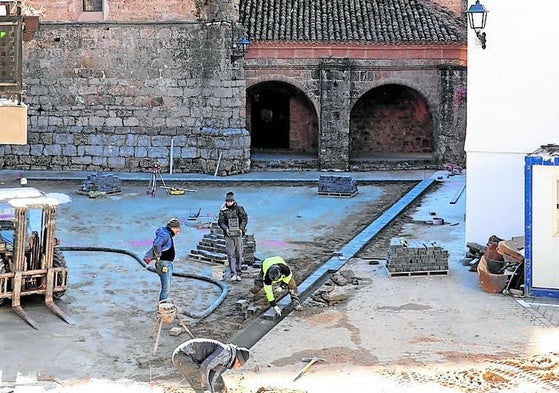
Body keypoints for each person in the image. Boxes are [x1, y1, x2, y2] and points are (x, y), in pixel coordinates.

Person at [172, 338, 250, 393]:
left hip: (184, 357)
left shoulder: (224, 360)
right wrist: (206, 388)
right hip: (183, 356)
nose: (236, 368)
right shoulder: (226, 353)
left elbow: (210, 380)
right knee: (201, 386)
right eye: (239, 366)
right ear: (237, 360)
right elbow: (205, 366)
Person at [144, 217, 181, 301]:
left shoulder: (166, 233)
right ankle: (163, 307)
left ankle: (163, 304)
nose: (178, 231)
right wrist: (158, 255)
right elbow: (157, 244)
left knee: (166, 288)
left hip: (166, 264)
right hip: (164, 264)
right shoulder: (165, 234)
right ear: (172, 228)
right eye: (177, 228)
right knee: (166, 288)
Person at [217, 191, 248, 281]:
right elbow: (221, 222)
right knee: (230, 254)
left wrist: (241, 229)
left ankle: (238, 273)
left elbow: (244, 219)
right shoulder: (223, 210)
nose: (229, 203)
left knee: (239, 253)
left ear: (233, 201)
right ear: (226, 201)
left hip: (238, 234)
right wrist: (226, 229)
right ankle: (233, 273)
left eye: (230, 201)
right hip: (228, 234)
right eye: (227, 201)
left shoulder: (239, 209)